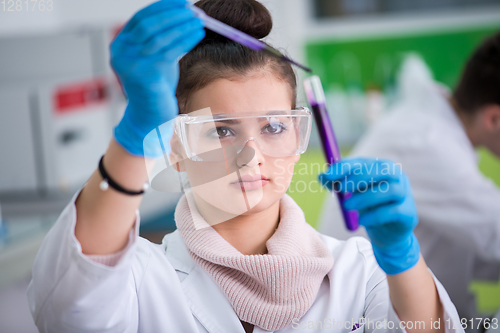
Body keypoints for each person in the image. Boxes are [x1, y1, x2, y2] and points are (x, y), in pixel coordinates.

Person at [28, 0, 464, 332]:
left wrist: (404, 260)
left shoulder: (362, 270)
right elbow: (67, 308)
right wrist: (133, 133)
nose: (251, 156)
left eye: (275, 126)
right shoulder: (142, 278)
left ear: (299, 137)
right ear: (175, 144)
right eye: (221, 131)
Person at [319, 33, 500, 328]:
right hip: (373, 313)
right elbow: (495, 233)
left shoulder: (437, 120)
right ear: (493, 118)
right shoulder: (431, 143)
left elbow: (477, 248)